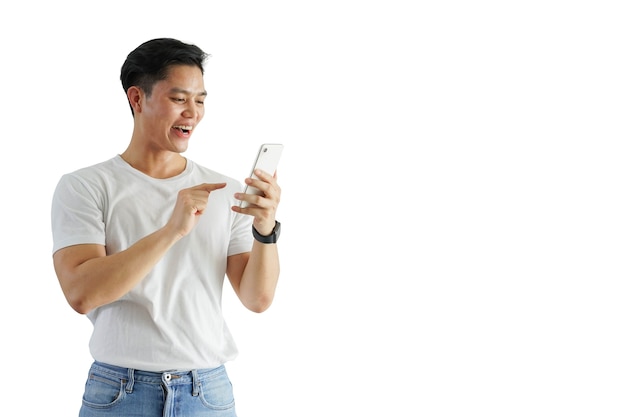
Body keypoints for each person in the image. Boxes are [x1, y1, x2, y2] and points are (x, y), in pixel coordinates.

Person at [50, 38, 282, 417]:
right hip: (120, 391)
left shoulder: (226, 192)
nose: (193, 112)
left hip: (207, 392)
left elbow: (257, 299)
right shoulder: (85, 186)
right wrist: (171, 230)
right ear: (137, 99)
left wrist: (265, 230)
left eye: (201, 100)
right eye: (179, 99)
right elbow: (81, 293)